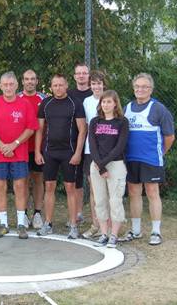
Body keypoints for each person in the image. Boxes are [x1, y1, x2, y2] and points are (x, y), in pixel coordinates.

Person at [0, 71, 38, 240]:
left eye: (11, 84)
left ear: (16, 85)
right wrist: (2, 146)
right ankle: (4, 224)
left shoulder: (25, 104)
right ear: (0, 86)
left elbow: (31, 128)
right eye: (5, 85)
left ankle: (21, 224)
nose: (8, 87)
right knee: (0, 187)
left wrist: (14, 144)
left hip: (19, 153)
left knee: (20, 187)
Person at [124, 73, 175, 246]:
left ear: (151, 89)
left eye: (144, 86)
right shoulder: (127, 108)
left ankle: (155, 231)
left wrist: (160, 153)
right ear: (133, 88)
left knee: (152, 192)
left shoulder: (159, 109)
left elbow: (169, 137)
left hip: (151, 159)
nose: (140, 89)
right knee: (133, 193)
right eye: (137, 86)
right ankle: (136, 230)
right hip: (131, 159)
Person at [35, 74, 86, 239]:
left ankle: (73, 225)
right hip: (50, 152)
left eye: (61, 85)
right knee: (49, 187)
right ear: (51, 87)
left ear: (66, 86)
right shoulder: (45, 103)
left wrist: (78, 152)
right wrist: (37, 151)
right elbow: (39, 130)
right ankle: (48, 223)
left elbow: (82, 130)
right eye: (55, 85)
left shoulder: (74, 104)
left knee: (70, 188)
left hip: (69, 153)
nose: (58, 88)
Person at [89, 90, 129, 248]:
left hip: (116, 165)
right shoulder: (95, 121)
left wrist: (104, 164)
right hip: (97, 165)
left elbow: (120, 147)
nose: (105, 105)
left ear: (115, 104)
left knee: (115, 200)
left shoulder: (122, 122)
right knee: (100, 201)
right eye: (103, 102)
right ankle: (104, 233)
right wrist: (100, 166)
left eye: (109, 102)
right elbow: (92, 145)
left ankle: (114, 235)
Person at [18, 69, 45, 229]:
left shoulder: (44, 99)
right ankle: (24, 214)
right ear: (22, 82)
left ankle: (37, 213)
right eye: (26, 79)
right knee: (23, 181)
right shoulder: (17, 98)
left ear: (36, 81)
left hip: (39, 148)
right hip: (21, 148)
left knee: (38, 179)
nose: (29, 81)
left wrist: (40, 150)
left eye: (32, 79)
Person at [81, 70, 106, 239]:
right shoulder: (86, 102)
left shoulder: (111, 99)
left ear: (104, 84)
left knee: (108, 191)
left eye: (99, 83)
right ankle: (95, 225)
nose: (96, 86)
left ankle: (109, 227)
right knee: (94, 190)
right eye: (93, 83)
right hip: (90, 150)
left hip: (108, 152)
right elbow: (84, 127)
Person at [68, 63, 93, 224]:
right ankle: (77, 214)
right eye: (79, 73)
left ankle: (97, 220)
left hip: (93, 144)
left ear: (88, 76)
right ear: (74, 76)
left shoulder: (96, 93)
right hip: (73, 142)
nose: (81, 76)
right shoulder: (68, 94)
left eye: (84, 73)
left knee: (93, 182)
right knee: (76, 180)